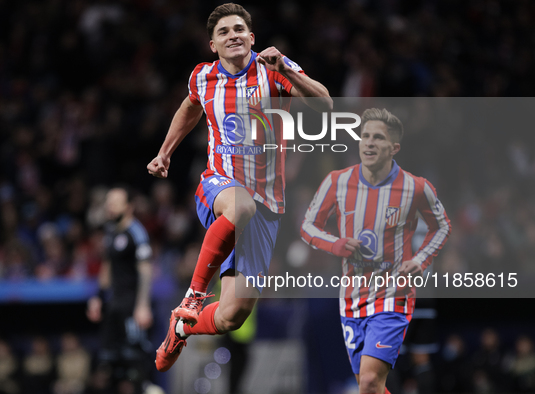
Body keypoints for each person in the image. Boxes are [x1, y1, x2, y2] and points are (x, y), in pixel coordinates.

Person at [147, 3, 332, 372]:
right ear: (212, 45)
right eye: (223, 32)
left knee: (233, 315)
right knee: (240, 205)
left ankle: (180, 326)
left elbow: (325, 104)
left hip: (266, 206)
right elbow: (190, 107)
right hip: (219, 185)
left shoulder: (274, 69)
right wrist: (165, 152)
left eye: (238, 29)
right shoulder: (202, 76)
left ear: (251, 37)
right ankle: (194, 296)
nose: (232, 35)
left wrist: (288, 74)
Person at [300, 108, 451, 394]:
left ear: (394, 148)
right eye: (365, 136)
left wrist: (421, 259)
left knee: (369, 381)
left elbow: (442, 226)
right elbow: (308, 226)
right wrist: (335, 243)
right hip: (352, 297)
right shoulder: (337, 181)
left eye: (378, 138)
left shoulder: (415, 187)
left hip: (393, 294)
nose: (368, 143)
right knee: (369, 385)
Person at [87, 187, 154, 393]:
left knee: (134, 362)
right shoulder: (110, 232)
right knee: (108, 361)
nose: (110, 207)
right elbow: (107, 267)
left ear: (128, 207)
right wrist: (98, 297)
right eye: (108, 203)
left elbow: (145, 271)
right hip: (114, 305)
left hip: (131, 307)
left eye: (115, 203)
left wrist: (143, 305)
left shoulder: (137, 233)